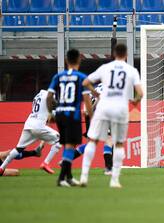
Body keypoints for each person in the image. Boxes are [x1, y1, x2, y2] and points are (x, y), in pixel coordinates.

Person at [80, 43, 143, 188]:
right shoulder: (131, 70)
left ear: (114, 54)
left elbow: (86, 82)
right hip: (120, 108)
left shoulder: (105, 68)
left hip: (104, 106)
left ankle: (84, 177)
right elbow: (140, 93)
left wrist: (95, 93)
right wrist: (135, 101)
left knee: (93, 141)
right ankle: (114, 180)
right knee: (119, 143)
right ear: (126, 55)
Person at [47, 49, 93, 187]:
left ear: (66, 61)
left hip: (60, 113)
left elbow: (49, 97)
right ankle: (61, 179)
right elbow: (87, 99)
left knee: (68, 144)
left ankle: (69, 177)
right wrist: (92, 116)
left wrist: (50, 112)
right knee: (70, 145)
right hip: (72, 114)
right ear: (79, 60)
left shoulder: (58, 76)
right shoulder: (81, 77)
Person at [0, 89, 61, 176]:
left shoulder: (37, 96)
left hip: (28, 124)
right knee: (59, 140)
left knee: (18, 149)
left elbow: (46, 111)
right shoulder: (50, 94)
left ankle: (2, 168)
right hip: (38, 126)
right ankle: (46, 163)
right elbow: (53, 106)